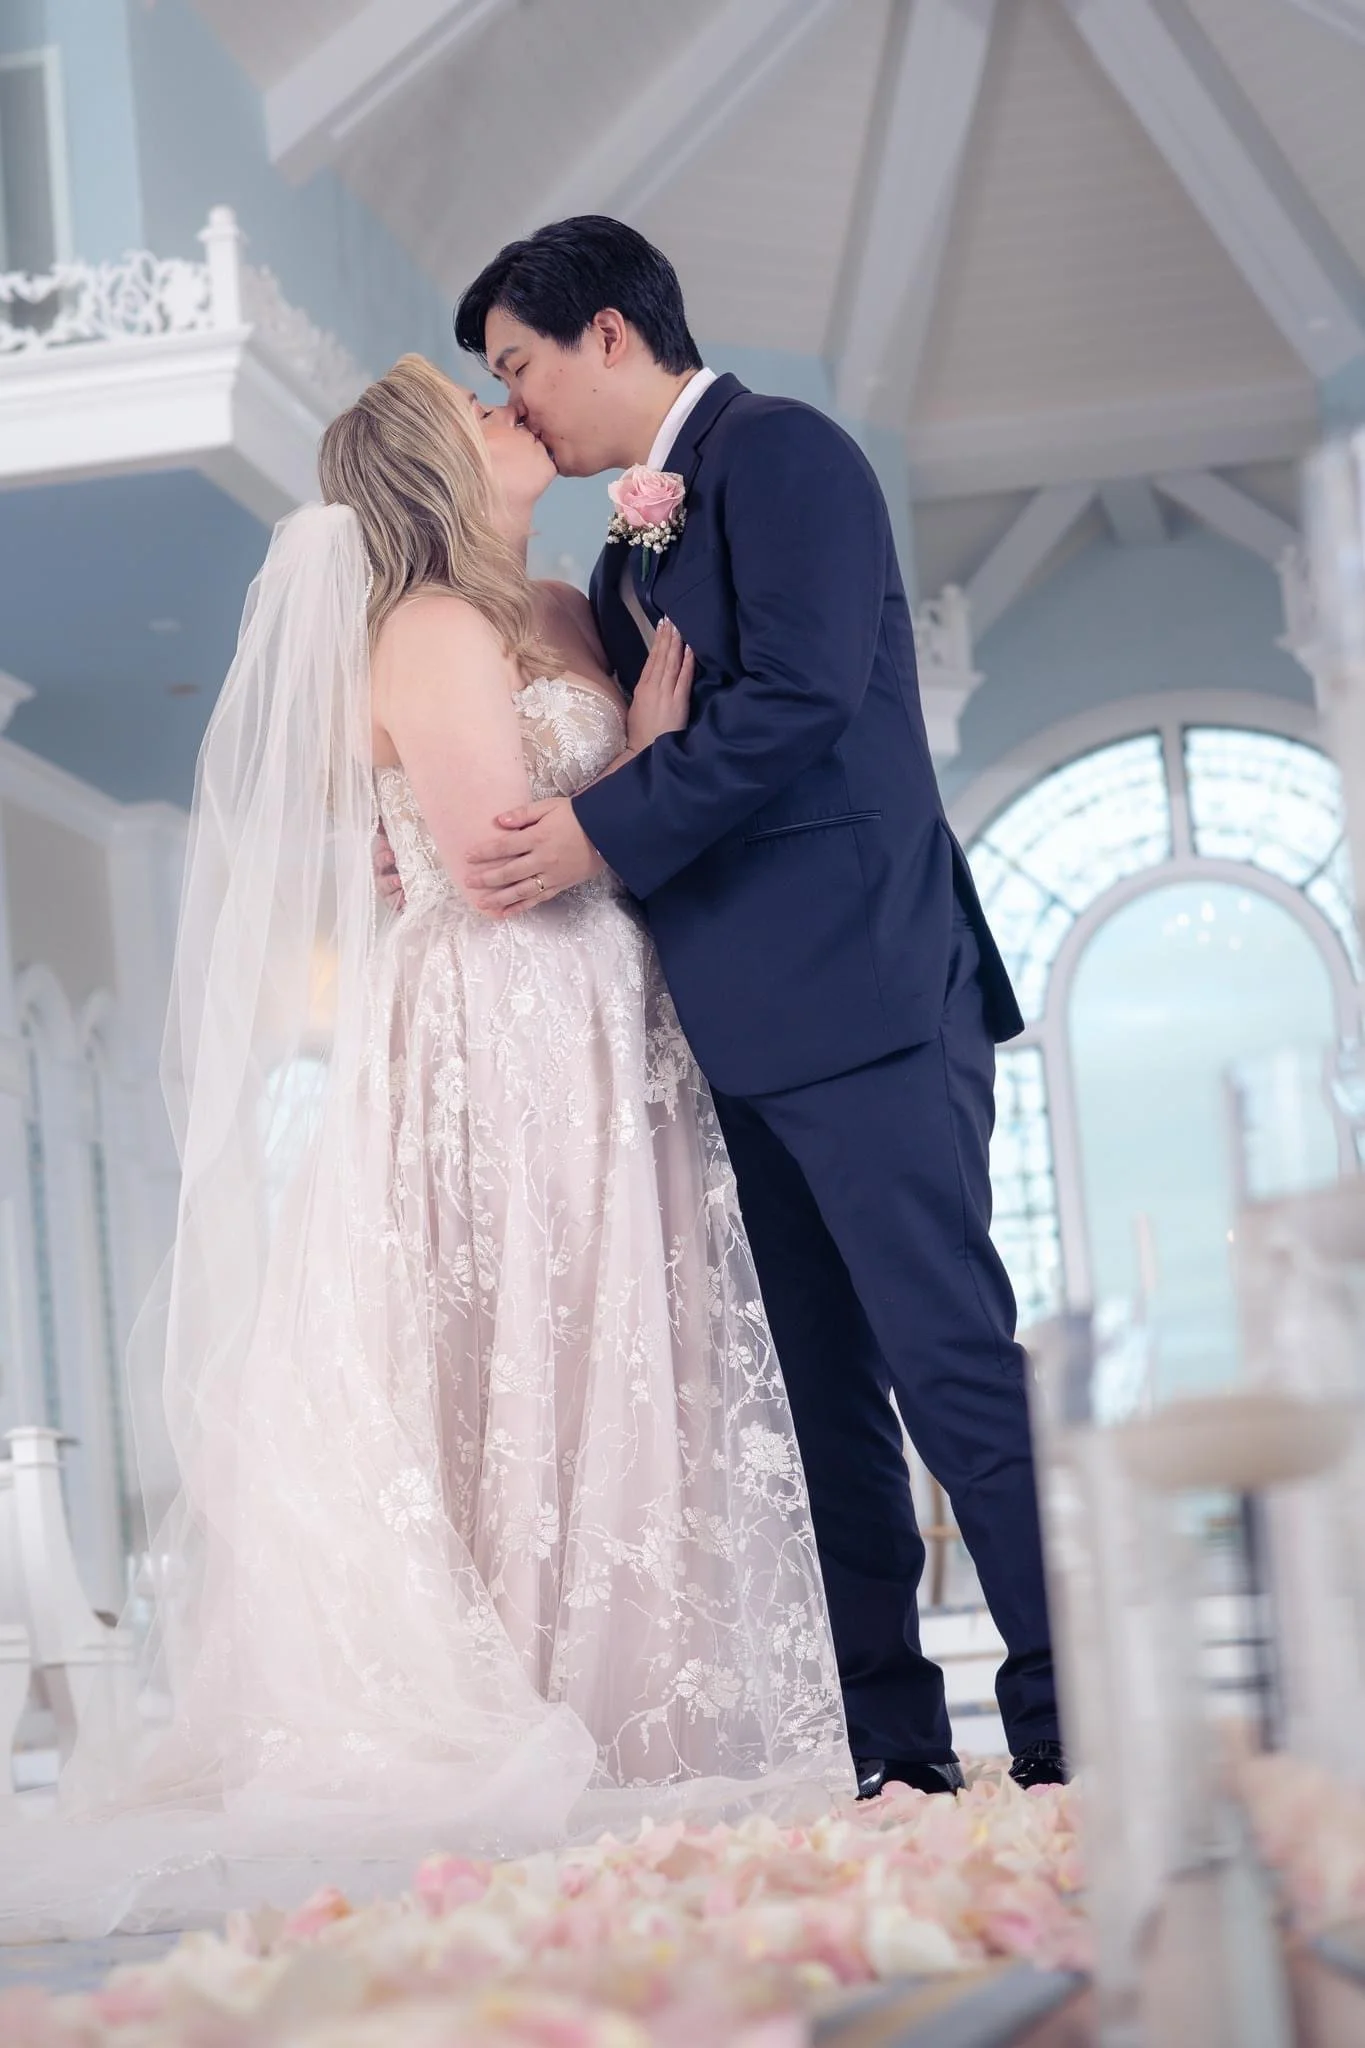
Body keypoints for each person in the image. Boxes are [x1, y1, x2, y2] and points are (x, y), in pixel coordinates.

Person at [0, 354, 848, 1941]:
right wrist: (649, 755)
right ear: (429, 471)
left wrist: (642, 742)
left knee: (617, 1339)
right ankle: (532, 1696)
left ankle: (637, 1695)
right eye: (476, 410)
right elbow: (487, 859)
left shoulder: (568, 611)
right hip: (504, 1022)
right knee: (525, 1334)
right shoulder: (433, 629)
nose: (505, 409)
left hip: (614, 1009)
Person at [450, 217, 1067, 1798]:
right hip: (729, 1032)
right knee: (820, 1412)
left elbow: (798, 699)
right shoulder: (616, 552)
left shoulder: (786, 455)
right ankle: (895, 1754)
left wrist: (597, 824)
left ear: (606, 331)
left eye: (518, 368)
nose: (517, 408)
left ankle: (1078, 1725)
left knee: (950, 1367)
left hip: (865, 993)